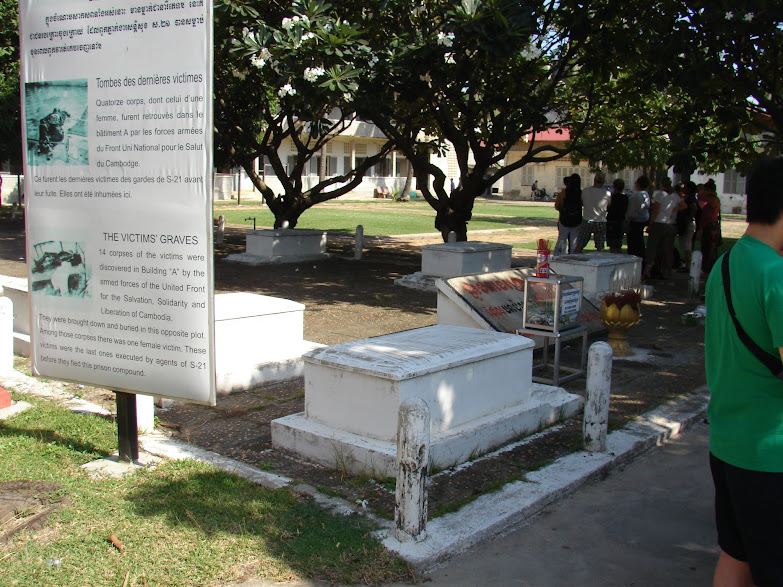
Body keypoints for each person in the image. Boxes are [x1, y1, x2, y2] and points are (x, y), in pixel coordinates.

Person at [704, 157, 783, 587]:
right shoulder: (777, 276)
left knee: (736, 556)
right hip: (771, 454)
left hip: (729, 444)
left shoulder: (728, 262)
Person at [643, 177, 685, 280]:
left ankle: (648, 269)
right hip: (668, 223)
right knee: (664, 248)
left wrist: (650, 224)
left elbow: (655, 211)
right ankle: (664, 270)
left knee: (652, 247)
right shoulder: (673, 196)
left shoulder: (660, 195)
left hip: (659, 222)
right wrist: (673, 210)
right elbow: (684, 205)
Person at [573, 171, 611, 253]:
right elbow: (608, 206)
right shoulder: (607, 193)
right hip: (601, 221)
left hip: (587, 220)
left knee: (579, 245)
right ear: (603, 182)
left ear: (594, 180)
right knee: (600, 247)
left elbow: (582, 203)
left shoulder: (586, 191)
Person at [554, 174, 582, 255]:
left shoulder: (563, 193)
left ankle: (557, 256)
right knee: (574, 242)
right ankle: (572, 258)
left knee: (561, 239)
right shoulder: (580, 193)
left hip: (564, 219)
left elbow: (558, 206)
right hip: (576, 220)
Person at [698, 179, 722, 274]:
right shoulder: (712, 198)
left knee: (710, 248)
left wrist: (706, 191)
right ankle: (707, 267)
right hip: (707, 225)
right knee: (706, 247)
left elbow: (701, 196)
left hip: (711, 226)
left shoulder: (713, 199)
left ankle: (709, 268)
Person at [674, 181, 698, 271]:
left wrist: (688, 218)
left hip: (688, 223)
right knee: (684, 244)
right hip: (685, 223)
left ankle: (689, 265)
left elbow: (694, 208)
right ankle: (687, 264)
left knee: (687, 244)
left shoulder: (691, 198)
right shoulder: (687, 197)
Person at [625, 176, 651, 260]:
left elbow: (633, 210)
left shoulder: (637, 196)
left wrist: (628, 222)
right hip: (642, 220)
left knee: (634, 243)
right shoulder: (646, 194)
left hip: (635, 221)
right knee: (639, 241)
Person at [606, 178, 629, 253]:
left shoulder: (613, 197)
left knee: (612, 245)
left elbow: (608, 208)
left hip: (612, 221)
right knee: (618, 244)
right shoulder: (625, 198)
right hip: (621, 221)